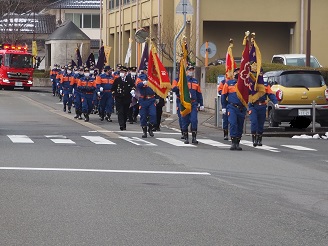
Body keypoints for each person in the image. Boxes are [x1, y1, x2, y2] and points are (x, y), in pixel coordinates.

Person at [221, 68, 246, 150]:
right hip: (232, 107)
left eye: (239, 72)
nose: (238, 73)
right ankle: (233, 142)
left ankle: (238, 142)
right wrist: (224, 107)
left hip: (241, 108)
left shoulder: (245, 84)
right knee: (233, 123)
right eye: (236, 72)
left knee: (240, 125)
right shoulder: (228, 83)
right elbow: (223, 96)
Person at [248, 79, 278, 147]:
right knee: (254, 122)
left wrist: (275, 102)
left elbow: (270, 94)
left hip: (262, 106)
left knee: (261, 123)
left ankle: (259, 138)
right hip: (253, 106)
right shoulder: (251, 83)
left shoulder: (265, 84)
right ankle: (254, 138)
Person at [181, 65, 204, 144]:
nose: (191, 71)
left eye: (192, 70)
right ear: (186, 71)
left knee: (194, 120)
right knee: (185, 121)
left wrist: (201, 104)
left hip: (193, 103)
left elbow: (199, 93)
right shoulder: (183, 81)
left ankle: (194, 138)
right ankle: (186, 137)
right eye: (189, 70)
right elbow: (177, 90)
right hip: (185, 104)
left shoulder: (195, 81)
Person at [136, 67, 157, 138]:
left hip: (151, 99)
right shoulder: (141, 77)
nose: (148, 71)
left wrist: (157, 97)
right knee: (143, 116)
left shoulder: (154, 77)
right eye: (147, 70)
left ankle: (150, 128)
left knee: (153, 114)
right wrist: (143, 83)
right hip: (143, 99)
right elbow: (137, 85)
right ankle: (144, 131)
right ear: (144, 70)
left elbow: (158, 87)